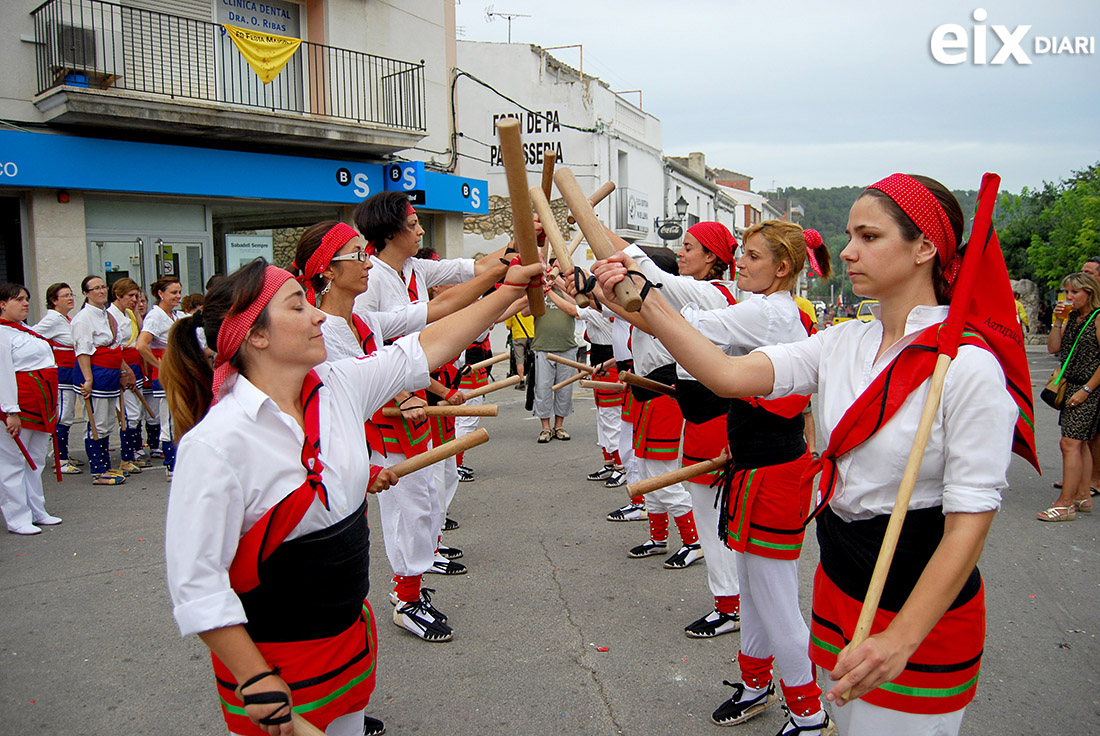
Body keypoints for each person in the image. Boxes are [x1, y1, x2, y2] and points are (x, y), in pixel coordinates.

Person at [593, 173, 1020, 736]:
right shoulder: (842, 342)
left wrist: (901, 639)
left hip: (917, 608)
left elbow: (970, 525)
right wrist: (641, 300)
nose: (847, 251)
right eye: (850, 234)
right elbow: (725, 373)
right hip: (841, 585)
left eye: (869, 237)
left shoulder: (967, 368)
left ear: (925, 248)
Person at [163, 257, 540, 736]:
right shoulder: (216, 443)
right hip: (273, 658)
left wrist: (507, 291)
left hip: (348, 637)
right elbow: (196, 583)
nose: (318, 315)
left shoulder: (337, 387)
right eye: (297, 305)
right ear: (255, 335)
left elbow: (421, 348)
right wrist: (253, 676)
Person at [351, 195, 510, 641]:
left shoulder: (416, 270)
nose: (421, 231)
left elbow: (473, 269)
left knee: (429, 491)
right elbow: (370, 352)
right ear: (390, 231)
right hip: (388, 404)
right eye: (414, 223)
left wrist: (520, 246)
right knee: (406, 503)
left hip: (418, 397)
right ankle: (405, 598)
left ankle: (414, 585)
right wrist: (402, 394)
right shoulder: (370, 281)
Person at [1, 283, 62, 535]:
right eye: (18, 299)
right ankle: (17, 517)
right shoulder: (3, 335)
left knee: (36, 459)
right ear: (2, 305)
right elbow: (3, 375)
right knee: (13, 462)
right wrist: (10, 411)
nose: (25, 303)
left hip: (41, 403)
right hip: (19, 406)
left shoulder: (25, 330)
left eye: (26, 298)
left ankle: (37, 509)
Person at [1040, 271, 1100, 521]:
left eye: (1075, 292)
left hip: (1089, 388)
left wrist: (1086, 390)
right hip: (1071, 385)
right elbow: (1053, 347)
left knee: (1070, 443)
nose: (1069, 296)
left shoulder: (1097, 318)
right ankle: (1082, 495)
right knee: (1080, 443)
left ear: (1089, 292)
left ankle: (1065, 504)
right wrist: (1057, 321)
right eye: (1066, 292)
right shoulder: (1072, 318)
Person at [71, 275, 126, 485]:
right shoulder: (84, 318)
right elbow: (82, 349)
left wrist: (122, 371)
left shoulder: (106, 315)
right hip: (96, 372)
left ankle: (106, 465)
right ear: (86, 293)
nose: (101, 291)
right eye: (96, 288)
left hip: (110, 372)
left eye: (103, 287)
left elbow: (115, 346)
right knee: (96, 422)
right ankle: (97, 469)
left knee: (108, 421)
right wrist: (88, 378)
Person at [31, 283, 81, 474]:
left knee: (66, 414)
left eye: (71, 294)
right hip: (62, 374)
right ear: (54, 300)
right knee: (63, 416)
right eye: (65, 296)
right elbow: (33, 335)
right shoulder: (52, 319)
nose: (70, 298)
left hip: (70, 372)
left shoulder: (65, 318)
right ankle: (61, 459)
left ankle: (62, 454)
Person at [136, 276, 182, 480]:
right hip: (166, 372)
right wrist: (160, 365)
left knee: (180, 416)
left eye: (179, 292)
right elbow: (141, 345)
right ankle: (170, 465)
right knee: (169, 418)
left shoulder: (175, 315)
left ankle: (178, 461)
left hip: (178, 370)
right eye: (173, 292)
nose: (178, 296)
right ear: (160, 294)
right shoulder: (155, 317)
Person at [531, 269, 580, 443]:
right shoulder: (540, 292)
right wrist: (540, 291)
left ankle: (559, 425)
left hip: (566, 347)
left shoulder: (568, 292)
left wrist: (558, 286)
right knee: (543, 388)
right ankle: (545, 428)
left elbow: (576, 308)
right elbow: (524, 312)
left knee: (564, 389)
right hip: (543, 347)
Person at [108, 278, 150, 475]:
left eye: (137, 296)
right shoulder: (110, 316)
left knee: (136, 413)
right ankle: (126, 458)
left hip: (135, 364)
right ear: (118, 295)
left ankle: (133, 452)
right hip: (122, 367)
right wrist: (124, 371)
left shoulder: (130, 314)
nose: (135, 300)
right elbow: (115, 346)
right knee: (129, 414)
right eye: (131, 296)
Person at [505, 311, 534, 389]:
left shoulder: (513, 312)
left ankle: (521, 381)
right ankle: (533, 379)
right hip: (531, 337)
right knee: (533, 359)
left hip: (518, 337)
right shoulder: (529, 310)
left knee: (519, 360)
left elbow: (508, 327)